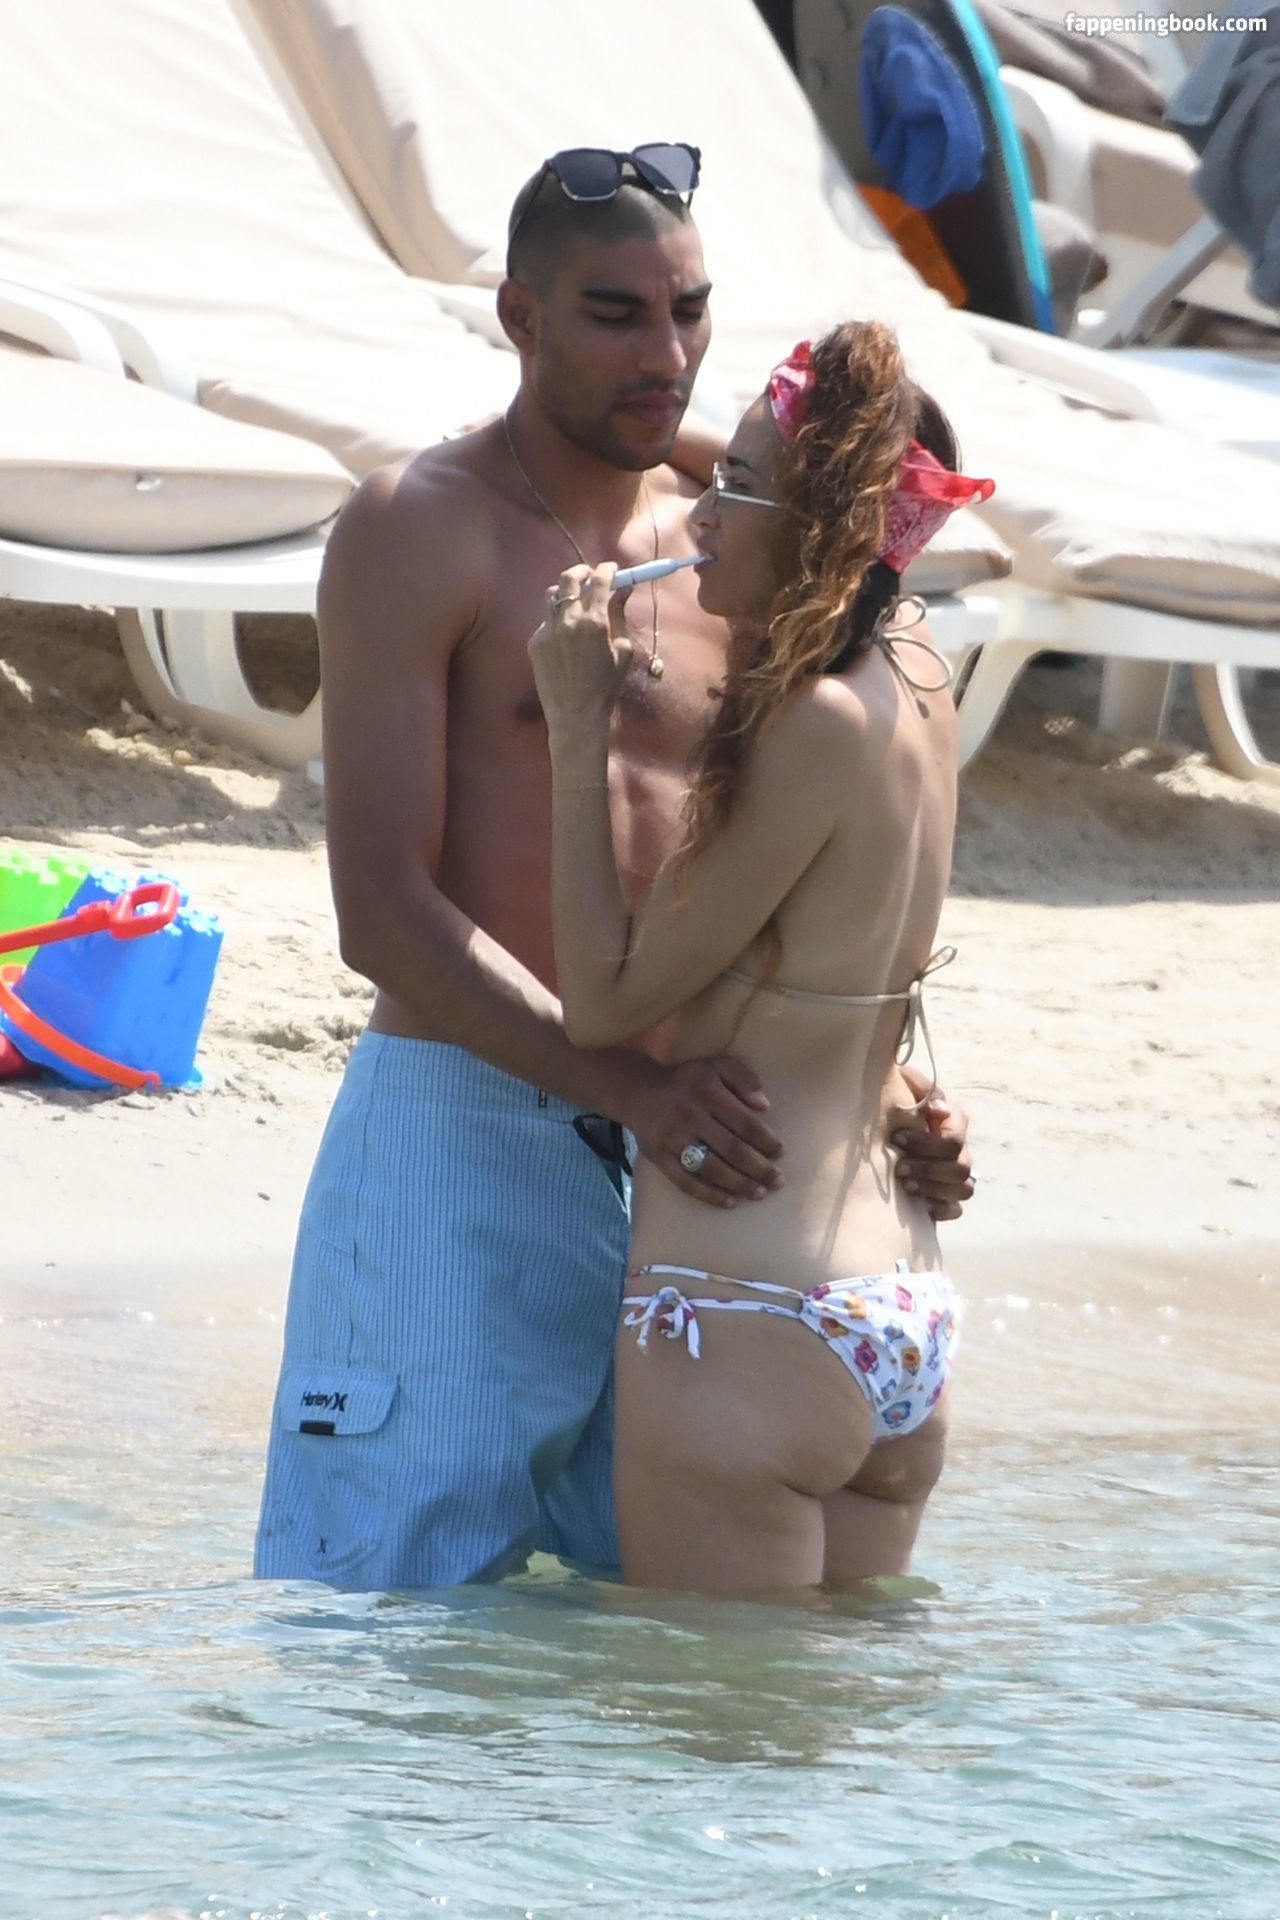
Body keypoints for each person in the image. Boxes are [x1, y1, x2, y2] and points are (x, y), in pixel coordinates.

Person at [253, 147, 974, 1594]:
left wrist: (886, 1088)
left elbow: (818, 839)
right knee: (390, 1618)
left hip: (704, 1161)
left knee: (644, 1647)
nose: (667, 354)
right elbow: (380, 912)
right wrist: (626, 1089)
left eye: (690, 310)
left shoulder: (731, 524)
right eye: (616, 314)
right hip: (469, 1128)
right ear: (519, 316)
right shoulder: (419, 525)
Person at [530, 321, 986, 1594]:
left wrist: (579, 725)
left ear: (825, 521)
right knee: (839, 1712)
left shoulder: (813, 723)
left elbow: (603, 1001)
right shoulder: (919, 678)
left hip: (750, 1305)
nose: (699, 516)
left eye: (735, 484)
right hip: (898, 1301)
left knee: (700, 1714)